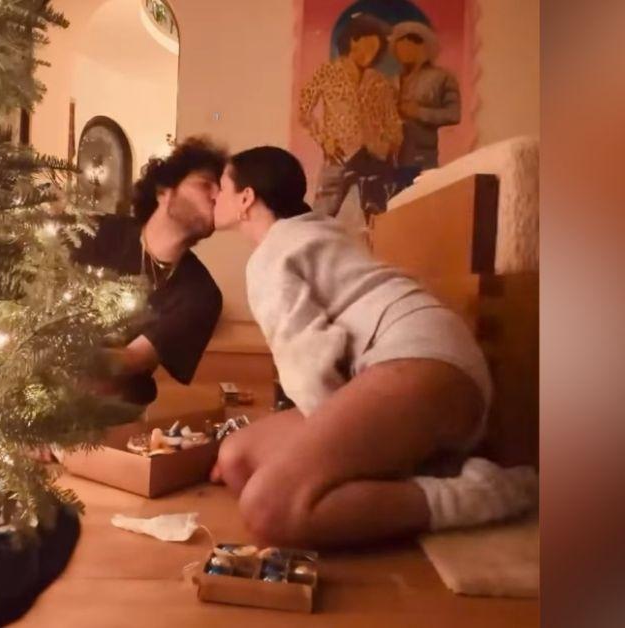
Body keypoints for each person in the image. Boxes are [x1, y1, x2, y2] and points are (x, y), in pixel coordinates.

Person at [209, 146, 536, 547]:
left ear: (246, 199)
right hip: (429, 365)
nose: (214, 197)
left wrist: (328, 449)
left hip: (421, 364)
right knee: (237, 458)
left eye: (222, 187)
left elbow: (307, 364)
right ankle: (429, 466)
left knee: (269, 508)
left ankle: (481, 494)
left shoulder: (271, 256)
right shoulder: (315, 232)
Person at [71, 137, 225, 406]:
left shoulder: (201, 294)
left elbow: (132, 358)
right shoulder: (92, 231)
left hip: (109, 420)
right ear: (164, 191)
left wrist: (54, 358)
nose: (217, 196)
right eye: (205, 184)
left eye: (222, 190)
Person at [298, 13, 402, 223]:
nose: (370, 55)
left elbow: (392, 120)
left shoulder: (380, 81)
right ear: (352, 40)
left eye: (375, 50)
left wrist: (390, 147)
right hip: (339, 155)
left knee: (379, 218)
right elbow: (304, 111)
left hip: (374, 158)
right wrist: (324, 140)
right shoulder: (328, 72)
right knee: (321, 216)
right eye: (366, 47)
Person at [390, 21, 461, 190]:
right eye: (400, 47)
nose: (403, 51)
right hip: (391, 161)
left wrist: (419, 112)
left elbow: (454, 114)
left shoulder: (441, 78)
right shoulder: (393, 81)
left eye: (409, 45)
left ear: (423, 47)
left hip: (422, 159)